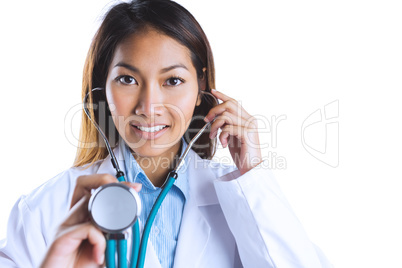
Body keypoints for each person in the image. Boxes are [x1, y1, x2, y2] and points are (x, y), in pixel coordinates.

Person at [0, 0, 333, 267]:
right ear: (103, 88)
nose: (149, 105)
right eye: (127, 79)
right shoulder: (43, 210)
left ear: (201, 86)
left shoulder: (245, 201)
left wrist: (254, 176)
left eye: (172, 81)